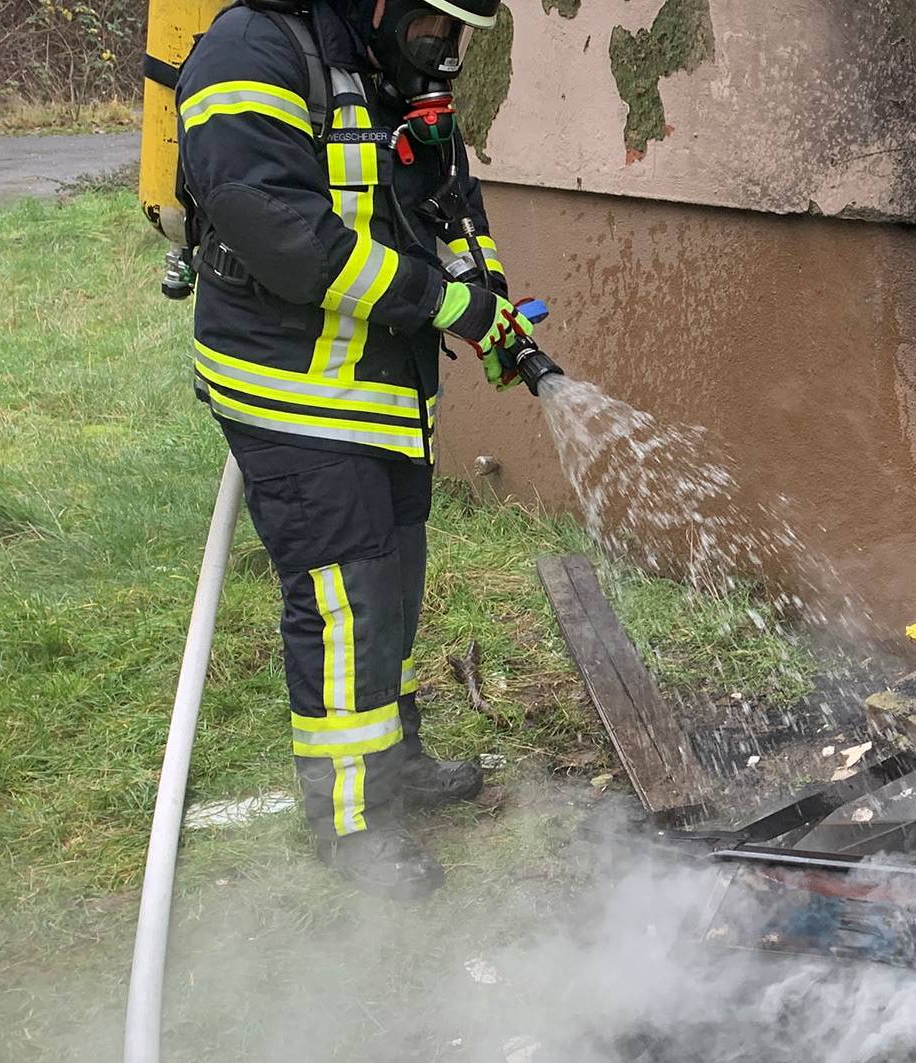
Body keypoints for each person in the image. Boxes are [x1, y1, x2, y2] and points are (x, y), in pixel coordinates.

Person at [175, 0, 534, 898]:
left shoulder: (389, 69)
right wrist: (440, 303)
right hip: (291, 391)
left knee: (393, 583)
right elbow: (281, 234)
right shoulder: (251, 48)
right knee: (348, 604)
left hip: (382, 393)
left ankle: (395, 763)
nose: (442, 52)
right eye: (432, 27)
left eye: (456, 37)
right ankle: (351, 823)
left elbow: (449, 203)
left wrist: (487, 295)